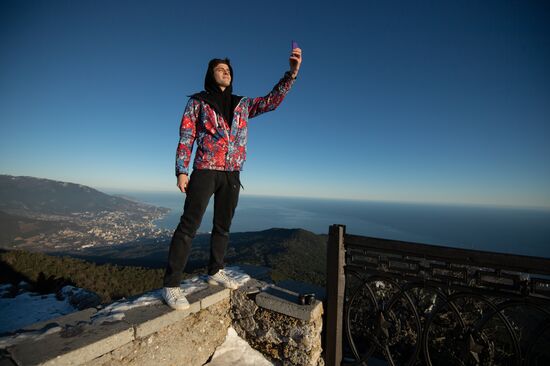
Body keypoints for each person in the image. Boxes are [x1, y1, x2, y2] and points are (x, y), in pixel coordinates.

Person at [162, 46, 303, 310]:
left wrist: (291, 74)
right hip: (205, 169)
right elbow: (186, 137)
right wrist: (182, 170)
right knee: (188, 226)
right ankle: (171, 285)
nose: (225, 73)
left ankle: (216, 270)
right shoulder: (198, 102)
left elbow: (272, 101)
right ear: (210, 74)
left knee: (223, 227)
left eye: (228, 70)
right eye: (220, 69)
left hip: (233, 173)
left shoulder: (243, 104)